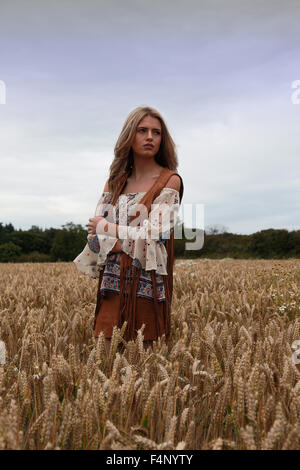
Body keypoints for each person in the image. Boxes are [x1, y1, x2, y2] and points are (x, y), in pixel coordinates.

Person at [73, 106, 184, 356]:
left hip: (148, 284)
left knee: (146, 365)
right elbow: (94, 233)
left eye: (156, 132)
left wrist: (109, 230)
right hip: (112, 283)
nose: (150, 137)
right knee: (105, 359)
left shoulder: (170, 181)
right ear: (129, 136)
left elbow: (153, 234)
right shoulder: (114, 182)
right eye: (142, 130)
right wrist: (116, 236)